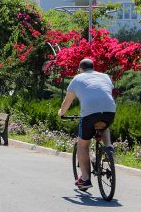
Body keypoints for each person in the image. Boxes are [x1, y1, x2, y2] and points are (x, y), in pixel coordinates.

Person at [58, 58, 116, 190]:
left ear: (80, 69)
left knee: (83, 145)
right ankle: (108, 147)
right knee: (104, 124)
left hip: (89, 113)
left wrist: (61, 112)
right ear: (93, 67)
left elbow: (67, 102)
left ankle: (85, 179)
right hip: (109, 110)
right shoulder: (105, 76)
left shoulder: (77, 78)